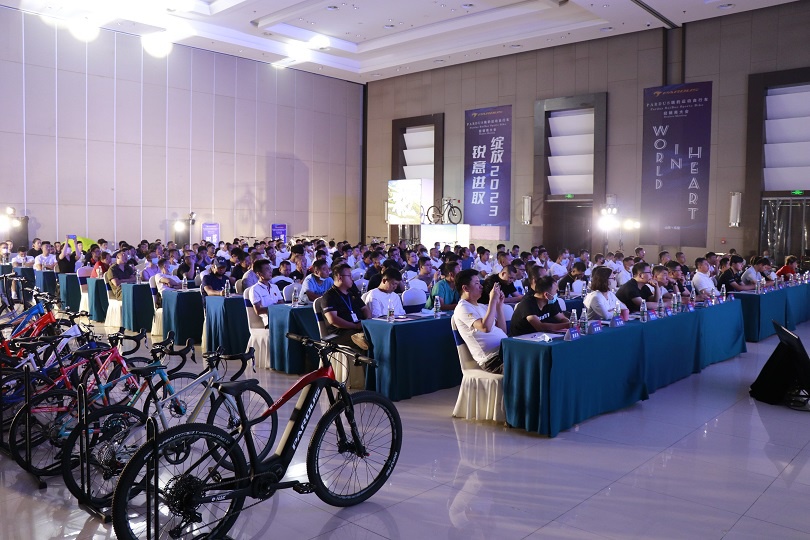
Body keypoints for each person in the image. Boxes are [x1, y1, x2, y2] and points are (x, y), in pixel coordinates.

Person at [452, 268, 508, 374]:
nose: (481, 286)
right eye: (477, 283)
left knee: (534, 358)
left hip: (504, 351)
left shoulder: (482, 306)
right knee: (527, 366)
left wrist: (499, 306)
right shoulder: (463, 307)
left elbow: (503, 331)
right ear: (465, 288)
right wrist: (492, 300)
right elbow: (485, 328)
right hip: (492, 359)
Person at [320, 264, 371, 351]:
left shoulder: (352, 293)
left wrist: (367, 322)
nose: (352, 279)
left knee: (377, 335)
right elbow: (333, 320)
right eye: (349, 276)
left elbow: (365, 309)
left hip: (359, 329)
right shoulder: (329, 296)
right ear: (340, 278)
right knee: (369, 341)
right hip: (341, 333)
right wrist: (355, 326)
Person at [246, 259, 283, 327]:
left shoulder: (275, 287)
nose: (270, 271)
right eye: (267, 269)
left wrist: (272, 307)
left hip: (280, 317)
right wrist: (274, 308)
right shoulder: (254, 289)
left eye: (270, 268)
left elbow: (281, 303)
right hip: (269, 321)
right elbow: (258, 311)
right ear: (259, 274)